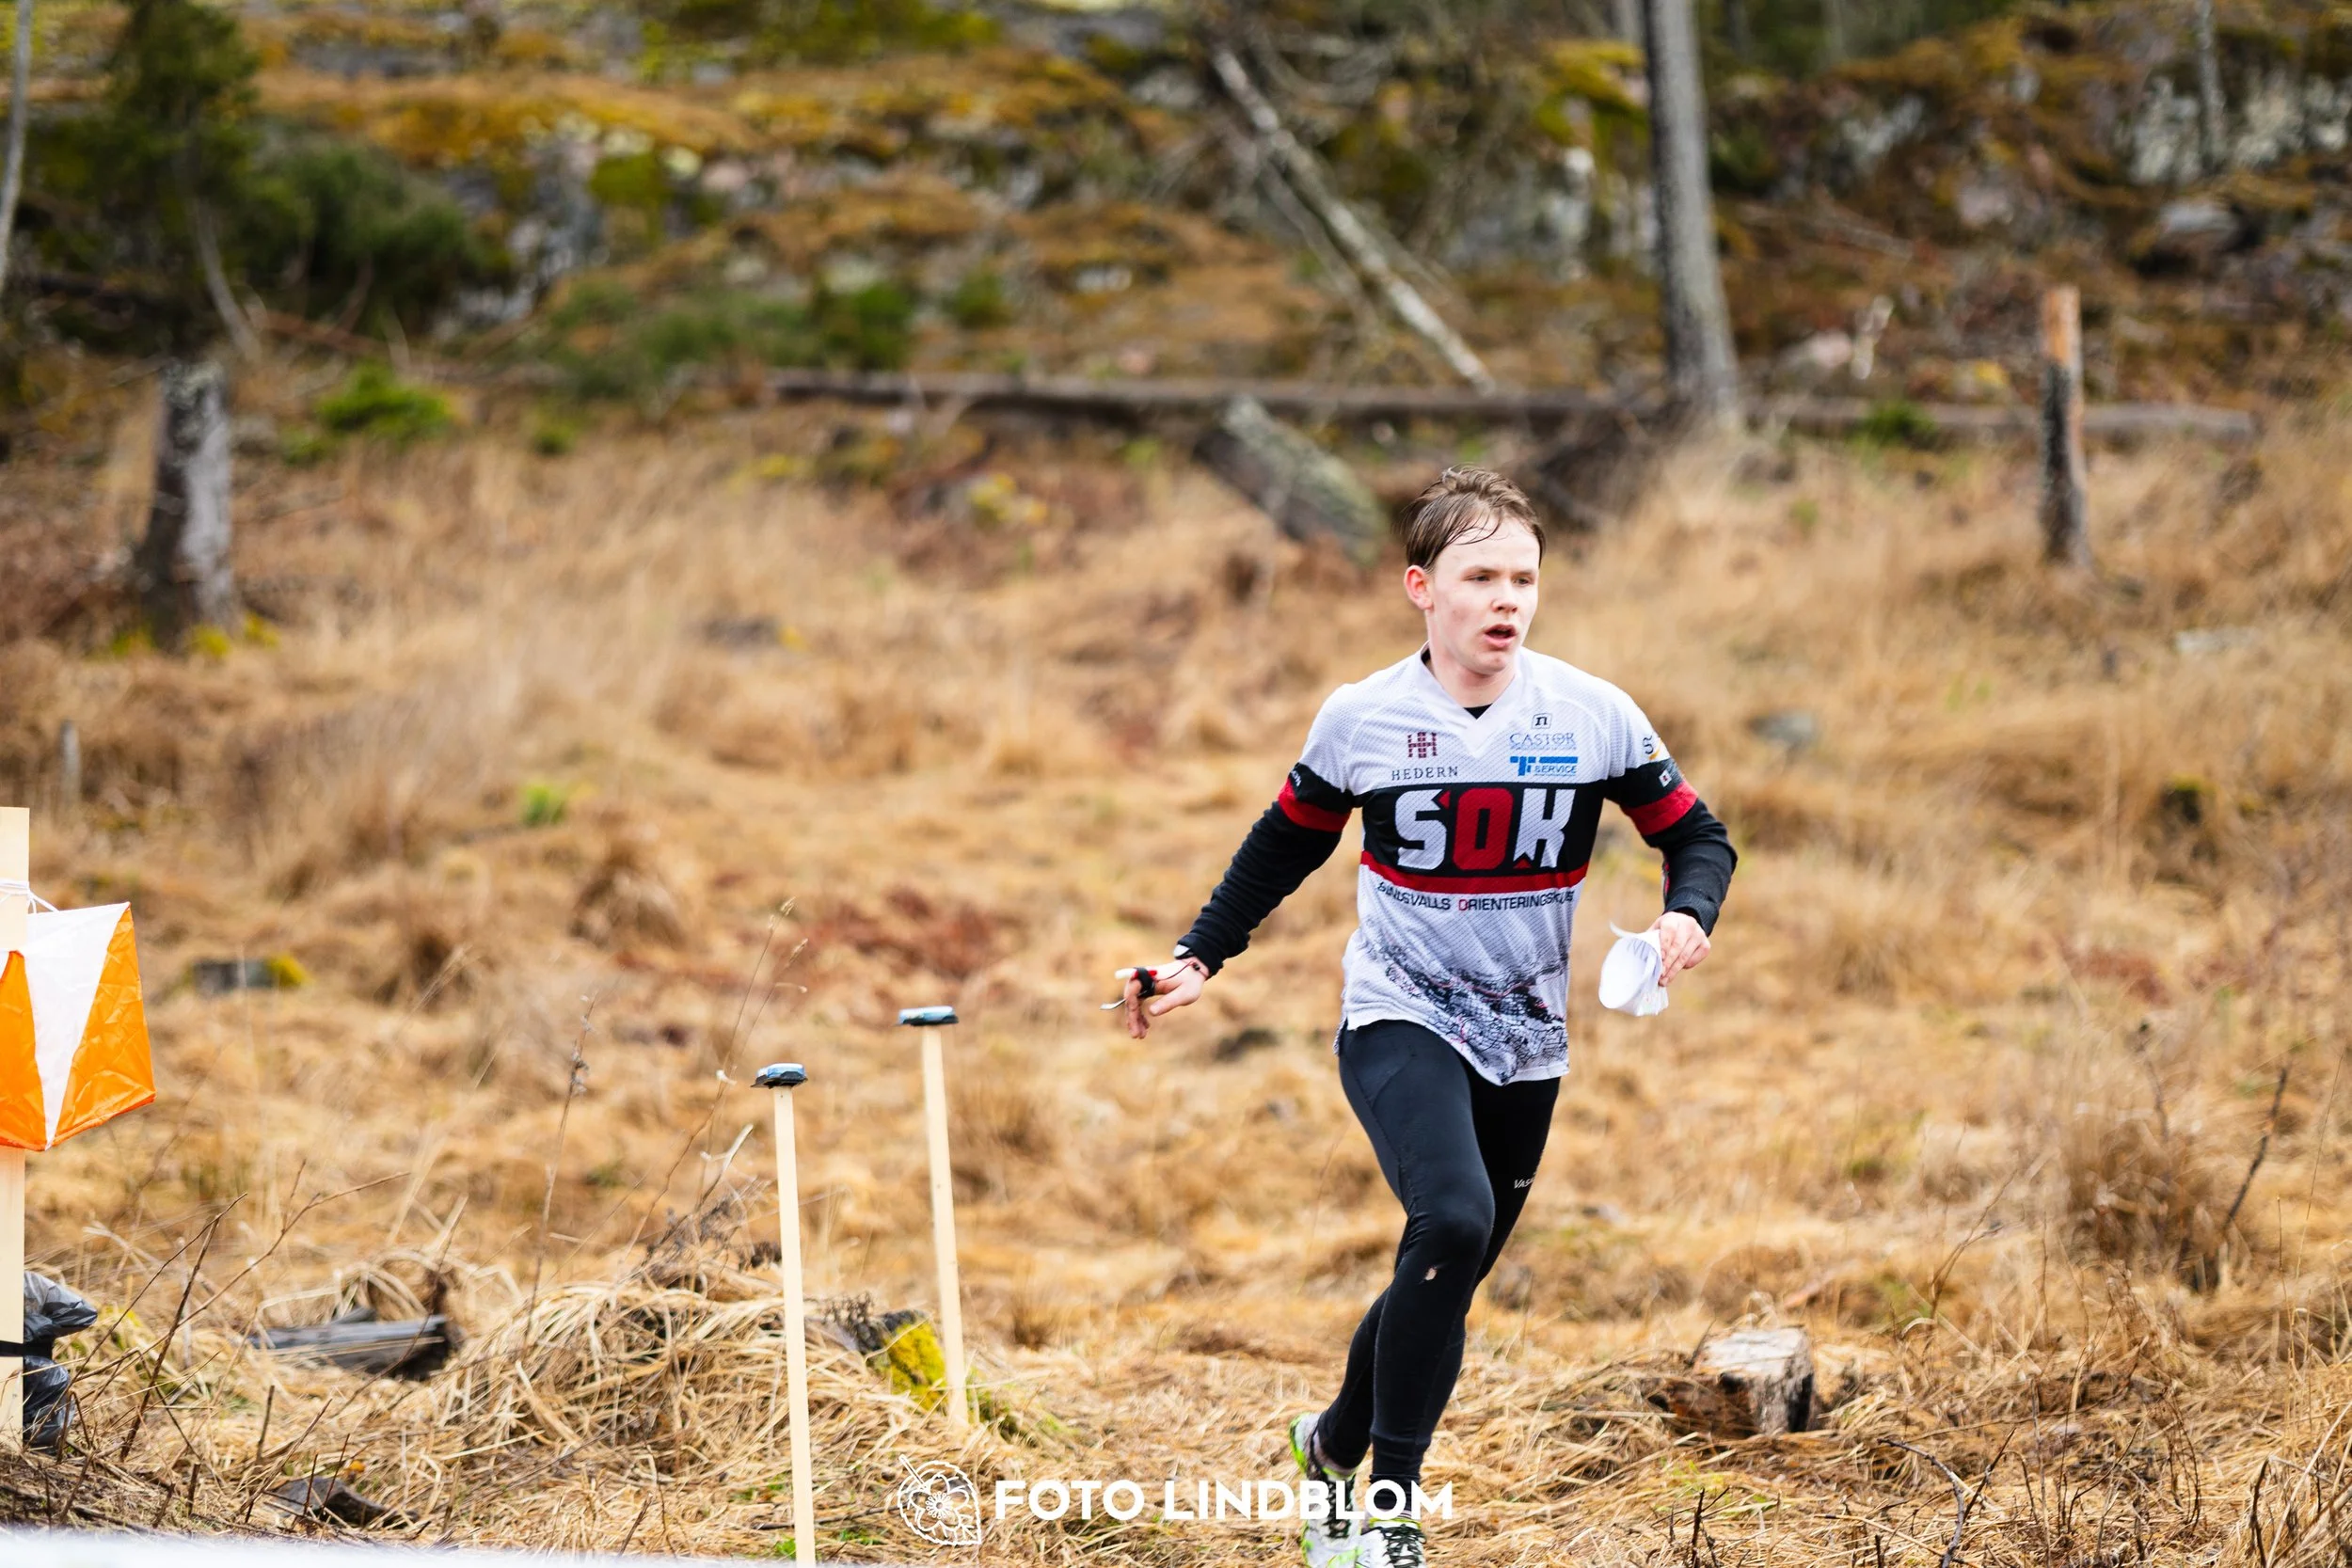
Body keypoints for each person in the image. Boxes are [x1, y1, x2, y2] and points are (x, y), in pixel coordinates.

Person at [1112, 467, 1736, 1568]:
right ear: (1421, 587)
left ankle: (1331, 1440)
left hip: (1528, 1033)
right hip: (1399, 1010)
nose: (1507, 598)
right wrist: (1197, 954)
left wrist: (1688, 915)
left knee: (1445, 1271)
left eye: (1524, 577)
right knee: (1447, 1222)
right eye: (1480, 575)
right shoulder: (1364, 716)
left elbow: (1698, 836)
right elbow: (1286, 840)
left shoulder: (1591, 712)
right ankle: (1391, 1515)